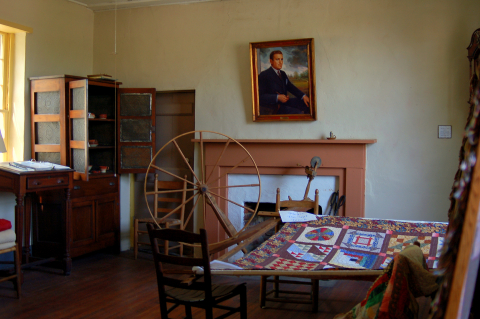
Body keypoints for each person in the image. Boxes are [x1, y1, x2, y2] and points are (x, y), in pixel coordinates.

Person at [258, 50, 310, 115]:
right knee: (298, 113)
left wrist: (303, 96)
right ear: (271, 61)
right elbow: (260, 97)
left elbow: (291, 87)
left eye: (281, 59)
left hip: (285, 103)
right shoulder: (264, 75)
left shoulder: (283, 73)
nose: (280, 62)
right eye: (277, 59)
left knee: (308, 104)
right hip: (274, 107)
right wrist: (277, 97)